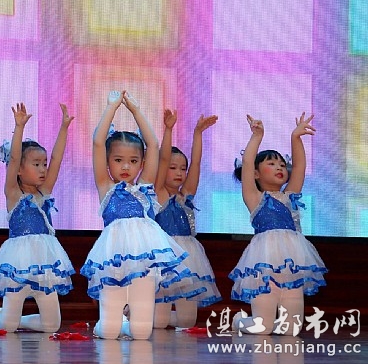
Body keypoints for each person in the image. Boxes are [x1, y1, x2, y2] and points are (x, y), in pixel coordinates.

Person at [80, 91, 198, 340]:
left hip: (145, 258)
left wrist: (136, 110)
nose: (126, 166)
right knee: (109, 332)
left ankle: (126, 322)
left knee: (142, 333)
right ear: (108, 162)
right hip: (113, 257)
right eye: (118, 160)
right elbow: (98, 143)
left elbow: (153, 145)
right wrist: (112, 107)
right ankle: (109, 323)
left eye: (133, 161)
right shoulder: (105, 186)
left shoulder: (145, 187)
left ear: (142, 163)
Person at [230, 113, 327, 336]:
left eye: (282, 164)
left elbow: (299, 167)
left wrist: (296, 138)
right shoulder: (254, 197)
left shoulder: (289, 195)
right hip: (263, 264)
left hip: (293, 265)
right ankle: (239, 321)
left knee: (292, 329)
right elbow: (247, 163)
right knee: (262, 328)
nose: (279, 167)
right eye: (271, 163)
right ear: (256, 174)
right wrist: (257, 136)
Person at [0, 103, 76, 333]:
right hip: (17, 262)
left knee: (51, 325)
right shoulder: (13, 193)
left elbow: (57, 158)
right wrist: (19, 128)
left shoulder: (44, 192)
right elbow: (15, 158)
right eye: (36, 164)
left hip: (46, 262)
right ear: (18, 170)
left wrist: (64, 127)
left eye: (43, 164)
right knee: (7, 326)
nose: (43, 169)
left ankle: (18, 320)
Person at [152, 110, 222, 329]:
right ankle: (135, 314)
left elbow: (197, 164)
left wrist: (198, 133)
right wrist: (169, 129)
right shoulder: (159, 193)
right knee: (159, 322)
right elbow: (163, 158)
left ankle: (141, 314)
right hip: (164, 255)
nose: (179, 173)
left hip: (189, 256)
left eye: (182, 168)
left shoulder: (186, 195)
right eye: (172, 168)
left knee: (187, 321)